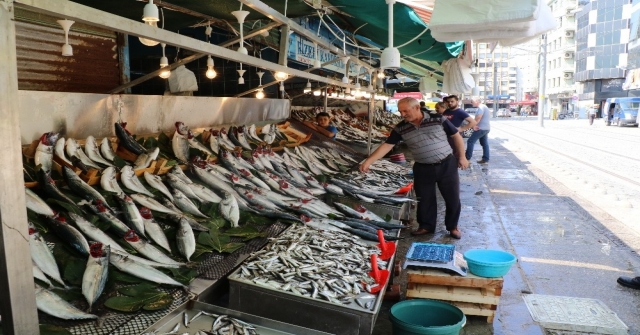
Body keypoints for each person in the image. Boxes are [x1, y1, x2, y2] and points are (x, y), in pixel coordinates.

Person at [359, 97, 469, 239]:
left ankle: (453, 227)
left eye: (405, 111)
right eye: (400, 111)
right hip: (422, 167)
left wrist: (462, 157)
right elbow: (387, 145)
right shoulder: (400, 128)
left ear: (417, 107)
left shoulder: (438, 119)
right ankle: (426, 226)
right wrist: (369, 161)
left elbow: (456, 136)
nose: (402, 114)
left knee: (452, 197)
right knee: (424, 199)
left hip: (446, 164)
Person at [466, 98, 491, 164]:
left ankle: (467, 159)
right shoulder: (484, 107)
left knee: (470, 141)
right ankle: (485, 159)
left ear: (476, 101)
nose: (471, 103)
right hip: (486, 128)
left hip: (480, 128)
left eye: (472, 101)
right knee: (484, 144)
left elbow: (478, 118)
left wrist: (473, 125)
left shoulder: (481, 107)